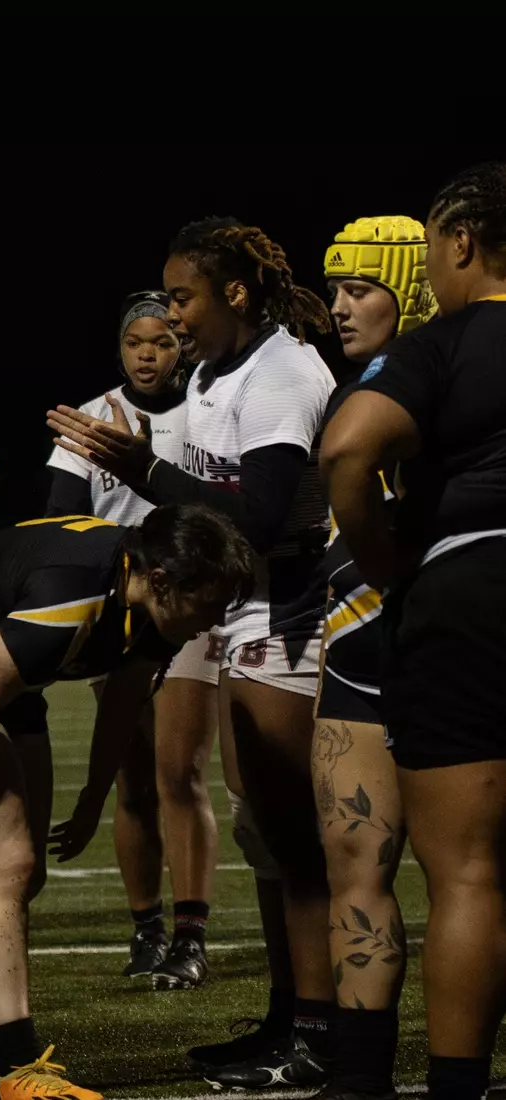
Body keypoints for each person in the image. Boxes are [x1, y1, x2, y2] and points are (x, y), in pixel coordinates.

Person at [48, 218, 338, 1089]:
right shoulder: (218, 369)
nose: (173, 318)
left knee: (291, 834)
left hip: (289, 613)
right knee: (261, 829)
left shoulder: (283, 373)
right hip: (246, 613)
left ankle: (318, 1036)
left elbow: (253, 518)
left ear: (235, 293)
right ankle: (289, 1019)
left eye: (183, 297)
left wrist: (141, 472)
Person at [0, 506, 256, 1097]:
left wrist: (92, 797)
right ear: (158, 581)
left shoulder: (151, 601)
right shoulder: (70, 595)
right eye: (207, 603)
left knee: (18, 876)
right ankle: (18, 1068)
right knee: (9, 866)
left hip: (6, 681)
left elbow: (124, 701)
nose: (214, 621)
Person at [321, 162, 506, 1100]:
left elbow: (346, 448)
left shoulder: (449, 341)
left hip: (467, 592)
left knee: (466, 872)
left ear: (461, 242)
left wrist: (391, 561)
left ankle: (455, 1088)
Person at [44, 292, 223, 989]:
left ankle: (190, 934)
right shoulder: (92, 417)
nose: (147, 353)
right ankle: (145, 925)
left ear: (182, 346)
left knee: (179, 770)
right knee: (133, 775)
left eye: (161, 341)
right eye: (134, 342)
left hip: (193, 608)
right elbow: (61, 516)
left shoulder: (209, 408)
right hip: (123, 609)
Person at [304, 214, 434, 1100]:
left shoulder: (444, 381)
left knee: (472, 873)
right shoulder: (371, 386)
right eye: (336, 289)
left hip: (434, 648)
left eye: (362, 290)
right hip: (357, 651)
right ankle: (360, 1076)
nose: (340, 308)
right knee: (356, 870)